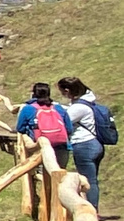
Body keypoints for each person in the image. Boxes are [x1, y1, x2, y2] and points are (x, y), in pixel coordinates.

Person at [58, 77, 109, 210]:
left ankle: (92, 210)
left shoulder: (79, 107)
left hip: (83, 145)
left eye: (62, 91)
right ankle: (94, 208)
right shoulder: (87, 102)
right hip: (95, 143)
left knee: (88, 181)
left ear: (67, 90)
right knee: (92, 179)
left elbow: (64, 121)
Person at [16, 82, 73, 169]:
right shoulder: (58, 108)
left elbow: (20, 128)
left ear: (34, 94)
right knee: (60, 174)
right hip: (61, 147)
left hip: (39, 148)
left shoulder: (28, 109)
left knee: (43, 177)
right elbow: (69, 129)